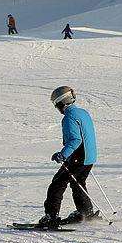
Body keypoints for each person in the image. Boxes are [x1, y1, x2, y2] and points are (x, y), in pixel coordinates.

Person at [38, 85, 100, 229]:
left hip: (79, 157)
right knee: (78, 182)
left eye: (56, 105)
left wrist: (63, 155)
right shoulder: (82, 112)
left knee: (57, 183)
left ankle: (51, 217)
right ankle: (85, 212)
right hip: (89, 156)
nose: (56, 108)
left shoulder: (69, 117)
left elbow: (75, 140)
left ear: (61, 102)